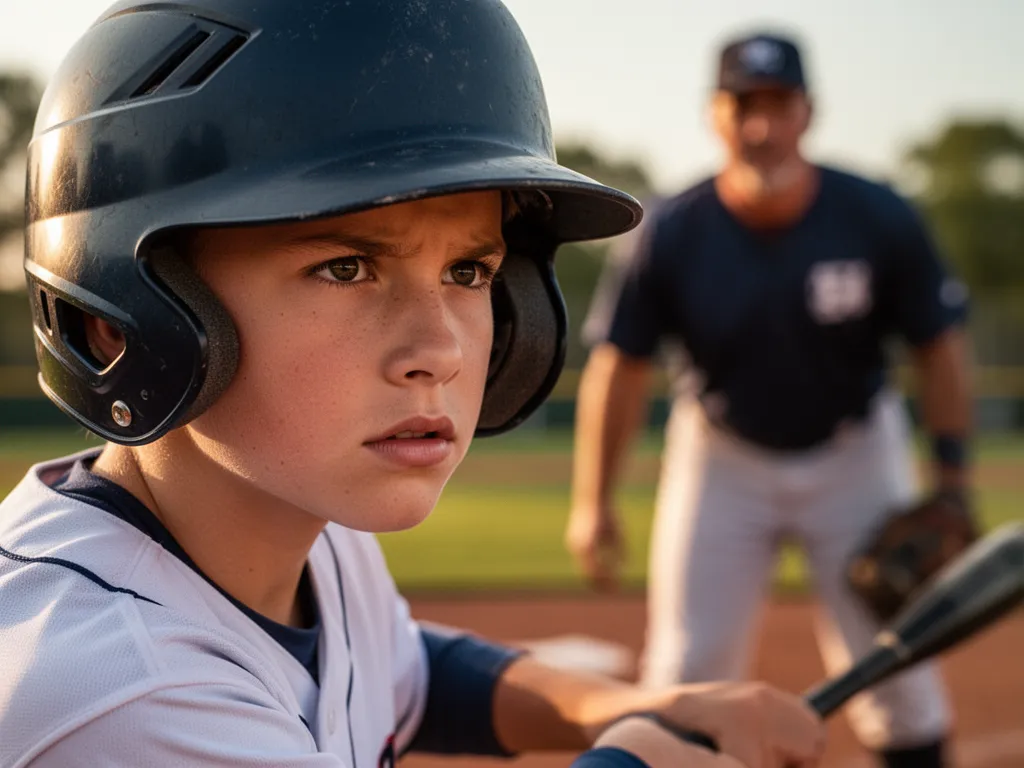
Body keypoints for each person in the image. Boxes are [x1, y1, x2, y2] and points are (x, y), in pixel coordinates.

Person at [0, 3, 826, 767]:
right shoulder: (116, 692)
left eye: (470, 270)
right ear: (115, 316)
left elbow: (405, 668)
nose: (442, 349)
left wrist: (606, 707)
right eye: (345, 267)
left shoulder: (313, 528)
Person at [566, 30, 973, 768]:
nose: (760, 125)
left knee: (899, 674)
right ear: (714, 115)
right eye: (742, 104)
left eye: (777, 104)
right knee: (686, 672)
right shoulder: (671, 230)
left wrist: (951, 480)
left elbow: (939, 347)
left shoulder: (877, 214)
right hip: (723, 454)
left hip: (856, 453)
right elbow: (619, 369)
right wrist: (593, 501)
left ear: (807, 113)